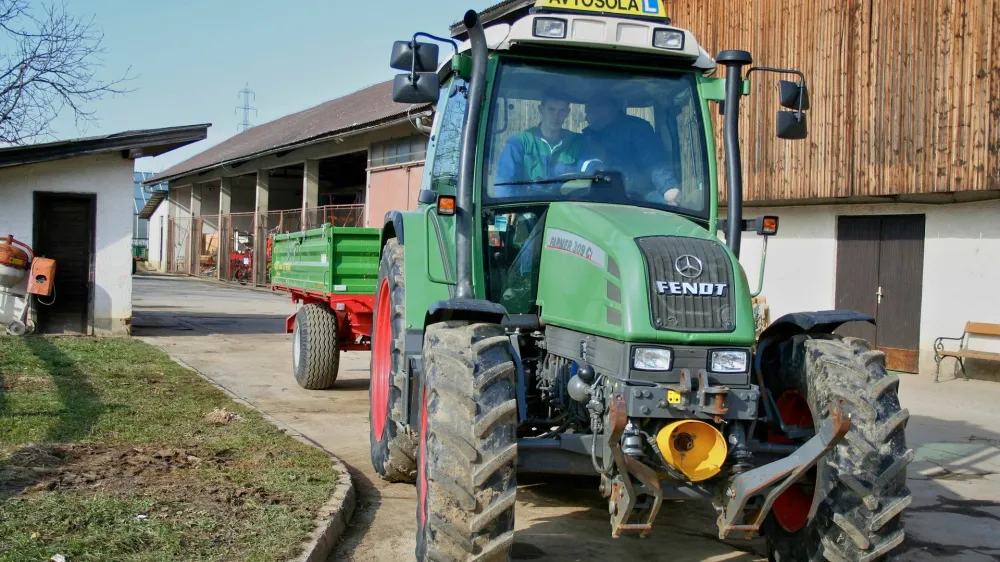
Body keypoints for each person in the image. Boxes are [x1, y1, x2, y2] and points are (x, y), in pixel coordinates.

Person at [582, 96, 682, 206]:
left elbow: (654, 162)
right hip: (598, 194)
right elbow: (582, 168)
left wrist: (667, 188)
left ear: (604, 110)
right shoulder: (588, 136)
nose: (586, 118)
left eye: (589, 113)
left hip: (639, 195)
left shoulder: (636, 129)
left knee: (666, 208)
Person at [494, 91, 590, 197]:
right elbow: (504, 184)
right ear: (541, 109)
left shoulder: (578, 143)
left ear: (567, 112)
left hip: (565, 203)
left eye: (561, 111)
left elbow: (591, 170)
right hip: (528, 204)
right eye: (551, 109)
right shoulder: (519, 143)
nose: (556, 116)